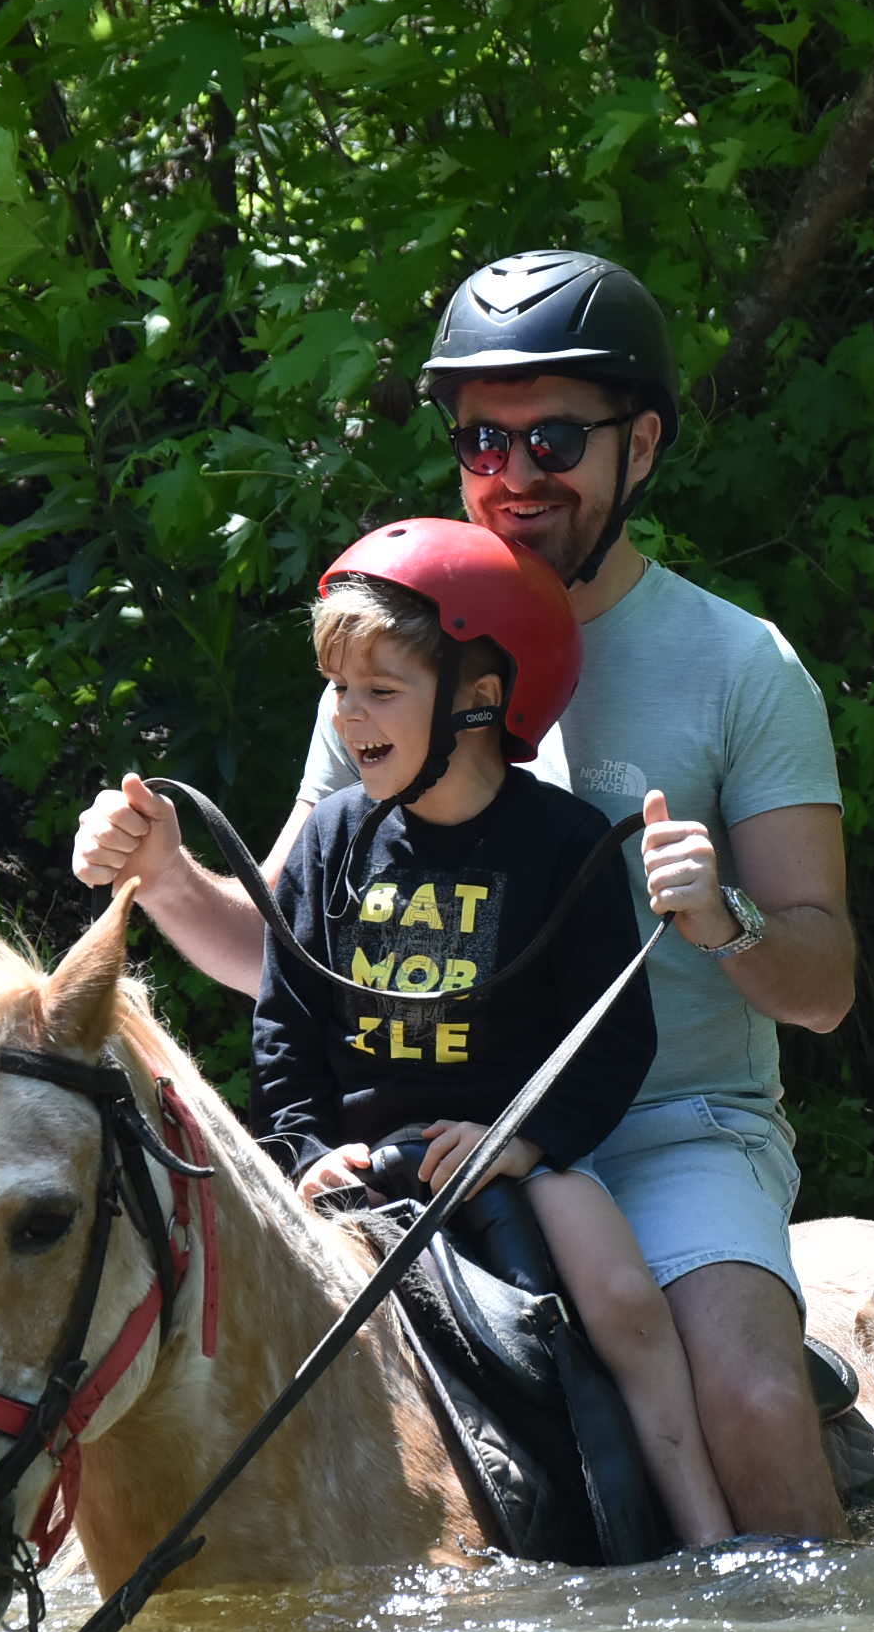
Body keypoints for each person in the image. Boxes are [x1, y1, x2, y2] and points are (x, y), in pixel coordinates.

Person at [75, 248, 857, 1539]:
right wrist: (161, 875)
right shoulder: (394, 655)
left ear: (642, 445)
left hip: (668, 1128)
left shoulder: (739, 663)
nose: (514, 475)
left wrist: (724, 921)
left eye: (554, 436)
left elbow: (823, 990)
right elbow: (279, 958)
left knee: (755, 1401)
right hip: (419, 1133)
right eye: (481, 442)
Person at [255, 518, 731, 1547]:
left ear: (479, 698)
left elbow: (613, 1039)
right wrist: (304, 1147)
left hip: (508, 1154)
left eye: (380, 690)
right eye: (339, 688)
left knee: (618, 1296)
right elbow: (282, 1023)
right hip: (358, 1161)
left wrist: (522, 1138)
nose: (349, 715)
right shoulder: (332, 836)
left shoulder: (559, 842)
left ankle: (705, 1534)